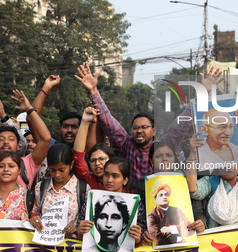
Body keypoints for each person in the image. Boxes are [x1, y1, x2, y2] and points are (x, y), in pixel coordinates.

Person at [75, 63, 223, 191]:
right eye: (135, 128)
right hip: (134, 203)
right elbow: (108, 120)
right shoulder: (126, 145)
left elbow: (183, 120)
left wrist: (204, 93)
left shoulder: (164, 145)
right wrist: (93, 91)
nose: (139, 130)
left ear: (154, 131)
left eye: (144, 127)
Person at [187, 111, 238, 228]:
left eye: (231, 127)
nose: (229, 166)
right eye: (224, 162)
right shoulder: (210, 182)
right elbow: (193, 189)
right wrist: (192, 154)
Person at [0, 90, 51, 193]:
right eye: (1, 139)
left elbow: (45, 139)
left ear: (19, 146)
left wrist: (29, 109)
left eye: (11, 139)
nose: (6, 142)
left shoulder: (28, 164)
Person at [77, 157, 145, 250]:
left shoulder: (135, 204)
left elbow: (142, 235)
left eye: (115, 176)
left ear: (125, 180)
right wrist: (80, 232)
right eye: (106, 174)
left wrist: (137, 239)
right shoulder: (91, 199)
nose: (109, 180)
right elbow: (80, 229)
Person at [29, 144, 82, 238]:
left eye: (62, 170)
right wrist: (34, 219)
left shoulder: (82, 189)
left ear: (71, 165)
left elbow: (86, 222)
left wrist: (76, 229)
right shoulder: (40, 188)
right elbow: (35, 212)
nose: (57, 175)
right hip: (44, 244)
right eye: (52, 170)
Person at [26, 75, 82, 149]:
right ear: (60, 129)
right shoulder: (52, 147)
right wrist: (46, 88)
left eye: (74, 127)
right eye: (65, 127)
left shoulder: (89, 151)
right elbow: (31, 119)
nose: (69, 130)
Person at [0, 151, 34, 223]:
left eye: (11, 166)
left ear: (19, 170)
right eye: (1, 166)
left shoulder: (29, 197)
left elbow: (37, 224)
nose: (6, 169)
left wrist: (31, 222)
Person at [73, 106, 115, 189]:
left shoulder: (124, 183)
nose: (97, 163)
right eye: (93, 160)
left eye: (102, 159)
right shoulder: (90, 180)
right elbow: (78, 157)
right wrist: (85, 121)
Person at [147, 179, 194, 246]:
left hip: (182, 246)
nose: (164, 197)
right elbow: (157, 237)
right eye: (161, 195)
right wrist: (179, 233)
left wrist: (171, 229)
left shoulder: (177, 210)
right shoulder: (152, 215)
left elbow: (190, 228)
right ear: (155, 198)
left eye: (166, 194)